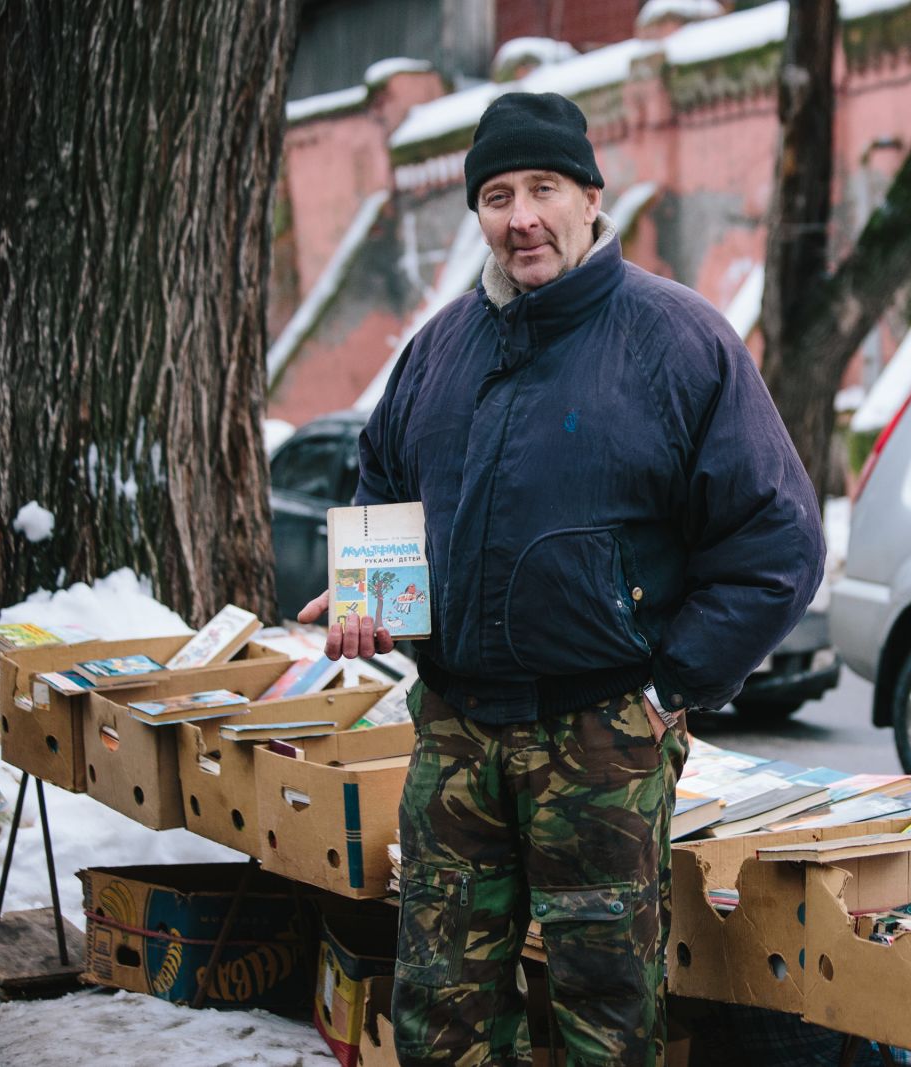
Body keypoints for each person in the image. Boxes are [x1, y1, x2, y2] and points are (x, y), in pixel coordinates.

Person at [299, 91, 824, 1066]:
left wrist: (672, 686)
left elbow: (777, 545)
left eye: (543, 187)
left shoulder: (678, 341)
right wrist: (371, 597)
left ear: (591, 196)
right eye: (496, 195)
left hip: (600, 736)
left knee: (604, 1010)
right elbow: (384, 481)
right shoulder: (439, 351)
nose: (520, 216)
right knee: (439, 1007)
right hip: (454, 728)